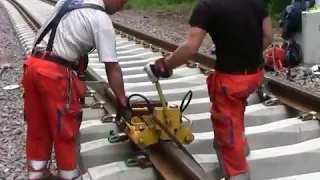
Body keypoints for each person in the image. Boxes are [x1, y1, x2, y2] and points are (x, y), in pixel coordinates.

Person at [143, 0, 274, 179]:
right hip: (255, 74)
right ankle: (242, 146)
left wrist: (163, 67)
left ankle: (239, 173)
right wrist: (247, 55)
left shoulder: (206, 6)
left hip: (231, 80)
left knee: (225, 125)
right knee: (236, 108)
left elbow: (190, 47)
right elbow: (268, 36)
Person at [21, 0, 128, 179]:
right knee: (65, 132)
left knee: (37, 127)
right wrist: (122, 100)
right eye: (122, 2)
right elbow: (112, 67)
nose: (122, 7)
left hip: (32, 66)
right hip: (54, 75)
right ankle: (69, 176)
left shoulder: (69, 1)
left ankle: (37, 175)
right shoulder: (101, 19)